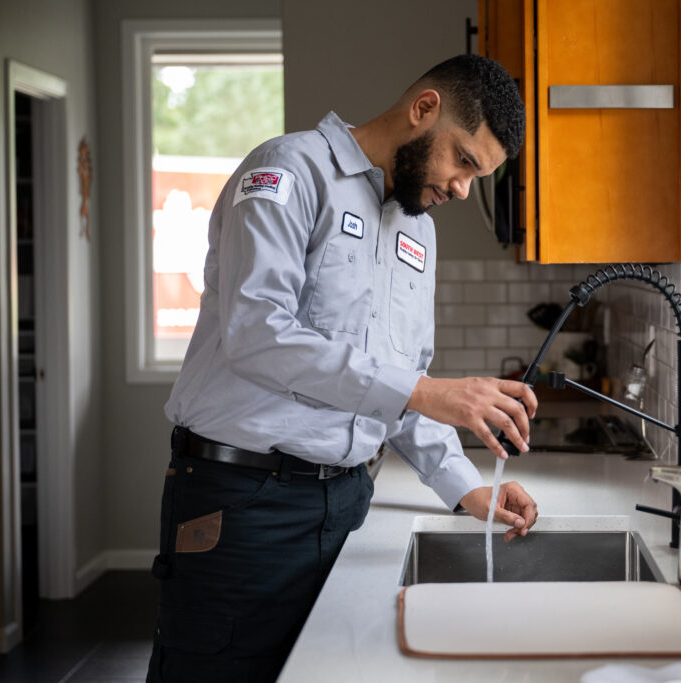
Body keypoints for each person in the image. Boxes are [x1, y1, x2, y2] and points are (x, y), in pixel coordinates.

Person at [147, 54, 539, 682]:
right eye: (463, 160)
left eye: (479, 175)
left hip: (348, 502)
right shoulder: (288, 172)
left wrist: (466, 486)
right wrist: (420, 389)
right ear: (424, 109)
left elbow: (400, 378)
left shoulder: (417, 231)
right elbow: (257, 334)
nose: (464, 188)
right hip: (243, 508)